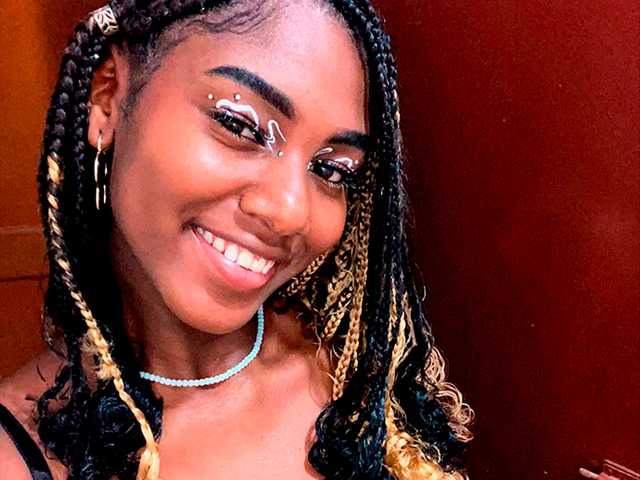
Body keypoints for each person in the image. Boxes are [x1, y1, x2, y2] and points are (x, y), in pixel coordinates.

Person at [0, 1, 473, 479]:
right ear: (108, 96)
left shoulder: (353, 371)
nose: (291, 211)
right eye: (239, 125)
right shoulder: (19, 457)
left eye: (332, 170)